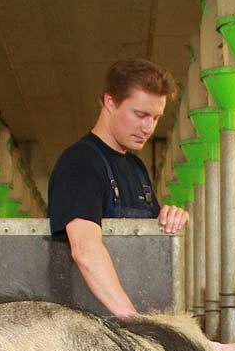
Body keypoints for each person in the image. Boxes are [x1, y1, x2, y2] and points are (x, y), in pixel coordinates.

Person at [47, 58, 189, 317]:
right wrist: (135, 323)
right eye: (141, 115)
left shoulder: (136, 167)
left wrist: (169, 218)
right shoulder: (79, 164)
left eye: (155, 118)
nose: (148, 128)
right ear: (110, 101)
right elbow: (85, 250)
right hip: (91, 328)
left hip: (129, 320)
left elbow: (144, 246)